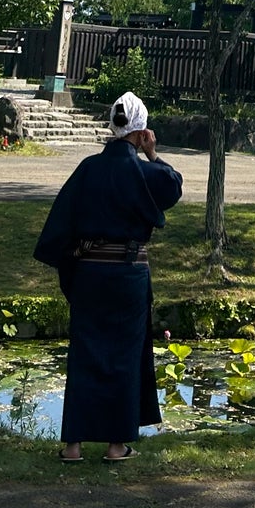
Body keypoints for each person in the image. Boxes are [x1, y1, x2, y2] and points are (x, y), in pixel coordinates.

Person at [33, 90, 183, 464]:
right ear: (141, 129)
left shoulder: (88, 168)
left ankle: (73, 445)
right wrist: (152, 153)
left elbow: (61, 224)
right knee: (125, 356)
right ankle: (117, 445)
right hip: (128, 274)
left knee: (85, 352)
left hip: (89, 272)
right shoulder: (146, 171)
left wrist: (73, 263)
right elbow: (174, 184)